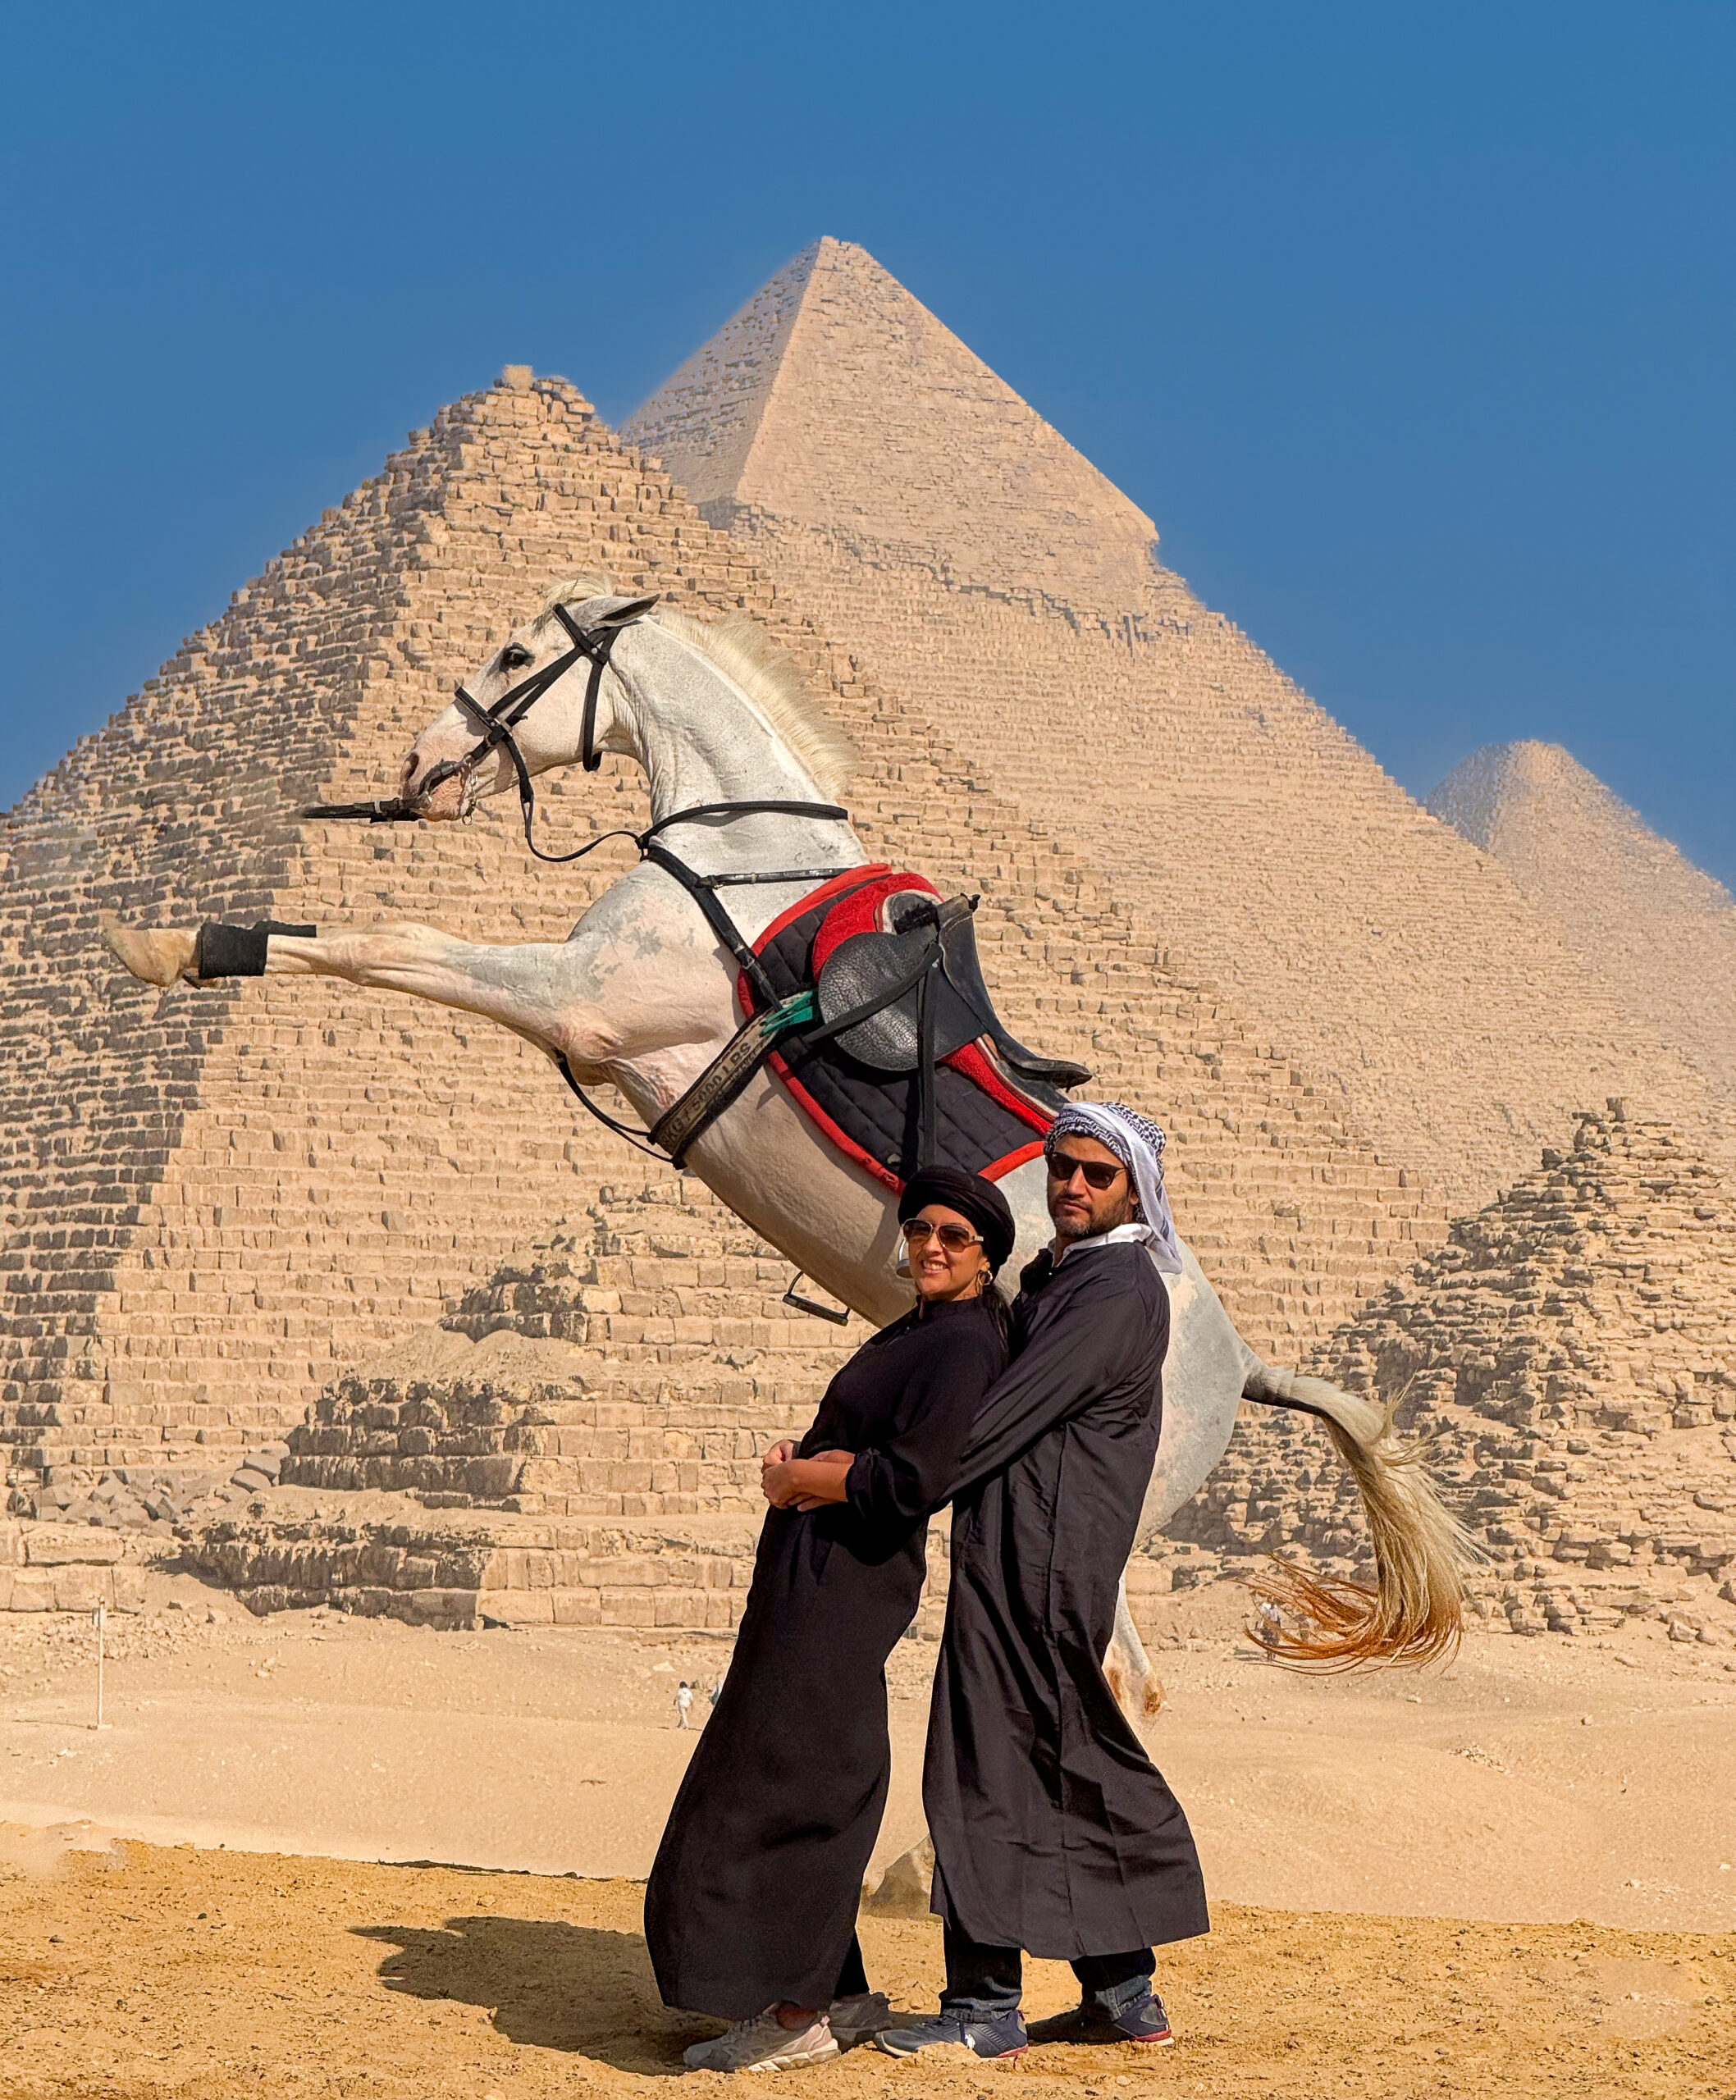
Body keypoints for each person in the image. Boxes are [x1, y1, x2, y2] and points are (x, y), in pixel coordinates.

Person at [644, 1166, 1018, 2075]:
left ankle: (796, 2011)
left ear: (986, 1257)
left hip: (848, 1585)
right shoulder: (930, 1327)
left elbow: (917, 1477)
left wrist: (809, 1477)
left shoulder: (964, 1342)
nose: (930, 1245)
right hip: (818, 1576)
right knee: (779, 1765)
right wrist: (801, 1458)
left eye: (954, 1237)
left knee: (792, 1780)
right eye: (920, 1227)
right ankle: (836, 1990)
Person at [875, 1101, 1208, 2061]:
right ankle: (1124, 1993)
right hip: (1030, 1548)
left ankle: (981, 2004)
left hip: (1040, 1558)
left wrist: (876, 1480)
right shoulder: (1063, 1276)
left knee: (982, 1765)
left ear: (1134, 1187)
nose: (1071, 1185)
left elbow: (999, 1418)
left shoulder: (1111, 1291)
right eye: (1062, 1166)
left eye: (1096, 1174)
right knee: (1064, 1764)